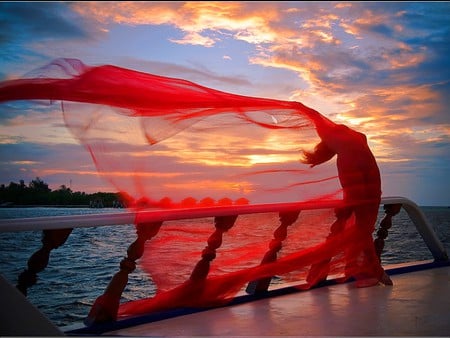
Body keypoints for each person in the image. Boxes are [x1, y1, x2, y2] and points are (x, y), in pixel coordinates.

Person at [299, 110, 392, 287]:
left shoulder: (330, 134)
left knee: (364, 223)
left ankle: (365, 270)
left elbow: (316, 117)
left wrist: (301, 107)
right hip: (363, 167)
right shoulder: (332, 134)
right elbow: (316, 117)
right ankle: (374, 271)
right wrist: (301, 107)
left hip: (363, 167)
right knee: (363, 224)